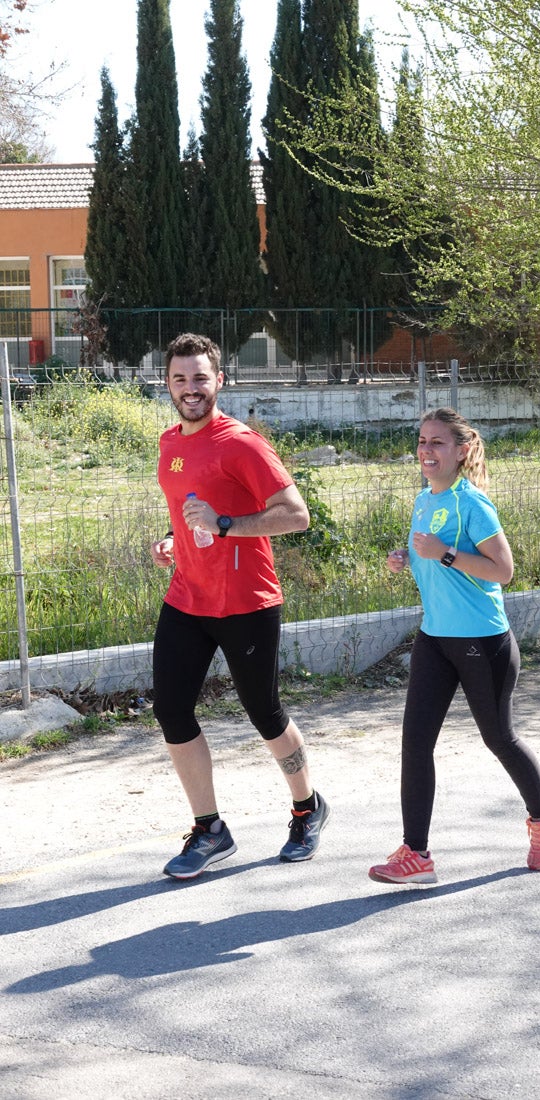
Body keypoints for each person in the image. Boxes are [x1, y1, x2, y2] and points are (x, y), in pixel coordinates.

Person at [150, 332, 329, 880]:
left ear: (219, 380)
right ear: (168, 384)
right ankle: (210, 829)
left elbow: (296, 515)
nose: (191, 388)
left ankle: (307, 808)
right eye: (180, 379)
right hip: (188, 597)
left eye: (201, 377)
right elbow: (195, 516)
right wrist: (175, 542)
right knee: (171, 708)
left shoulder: (242, 443)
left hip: (247, 602)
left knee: (264, 713)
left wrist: (227, 526)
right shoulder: (170, 444)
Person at [369, 407, 540, 885]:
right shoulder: (423, 500)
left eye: (437, 443)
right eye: (421, 441)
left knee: (498, 738)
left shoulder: (472, 503)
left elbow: (502, 570)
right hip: (435, 639)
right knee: (415, 744)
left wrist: (446, 553)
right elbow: (431, 562)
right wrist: (408, 559)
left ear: (461, 451)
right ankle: (416, 855)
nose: (426, 450)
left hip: (483, 639)